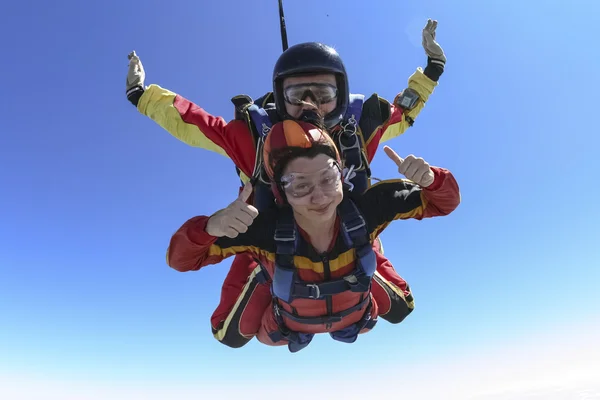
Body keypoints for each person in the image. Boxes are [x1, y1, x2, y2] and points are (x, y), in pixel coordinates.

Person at [126, 19, 447, 348]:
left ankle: (336, 298)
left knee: (400, 308)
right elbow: (193, 121)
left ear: (341, 95)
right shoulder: (253, 138)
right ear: (280, 98)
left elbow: (403, 110)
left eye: (323, 93)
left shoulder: (363, 125)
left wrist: (433, 67)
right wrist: (142, 94)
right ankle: (284, 306)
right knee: (230, 333)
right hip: (268, 243)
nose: (311, 105)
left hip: (349, 238)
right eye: (297, 95)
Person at [166, 119, 461, 352]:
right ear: (282, 192)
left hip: (353, 309)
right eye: (299, 185)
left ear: (342, 176)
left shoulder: (371, 208)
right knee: (229, 335)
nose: (318, 195)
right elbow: (181, 261)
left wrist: (432, 180)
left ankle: (368, 250)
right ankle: (260, 271)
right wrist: (210, 227)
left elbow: (444, 203)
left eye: (328, 178)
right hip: (289, 320)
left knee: (401, 309)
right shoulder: (263, 230)